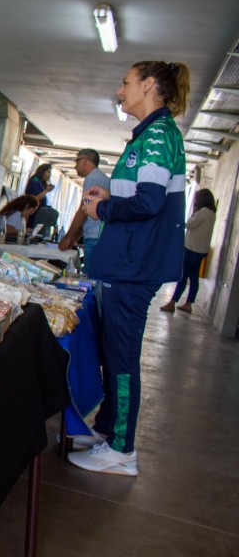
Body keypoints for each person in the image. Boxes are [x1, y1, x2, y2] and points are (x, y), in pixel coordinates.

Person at [70, 60, 191, 476]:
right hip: (127, 262)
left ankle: (122, 449)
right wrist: (110, 194)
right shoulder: (151, 135)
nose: (120, 92)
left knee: (121, 357)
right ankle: (107, 428)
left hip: (135, 265)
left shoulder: (157, 135)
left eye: (126, 84)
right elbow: (139, 194)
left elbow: (149, 202)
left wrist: (103, 207)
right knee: (111, 350)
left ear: (148, 85)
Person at [160, 188, 216, 313]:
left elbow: (190, 224)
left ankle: (173, 302)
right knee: (194, 277)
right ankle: (188, 303)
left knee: (183, 276)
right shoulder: (211, 213)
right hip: (201, 250)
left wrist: (193, 212)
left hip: (193, 249)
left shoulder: (203, 212)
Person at [58, 148, 110, 273]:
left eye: (77, 161)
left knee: (90, 278)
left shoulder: (92, 178)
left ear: (85, 161)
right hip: (99, 235)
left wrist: (68, 237)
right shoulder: (101, 177)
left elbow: (84, 211)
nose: (75, 166)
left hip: (94, 237)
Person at [24, 163, 54, 227]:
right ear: (42, 171)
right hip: (33, 214)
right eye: (48, 172)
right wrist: (46, 190)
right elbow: (35, 198)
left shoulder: (41, 183)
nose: (49, 175)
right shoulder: (35, 180)